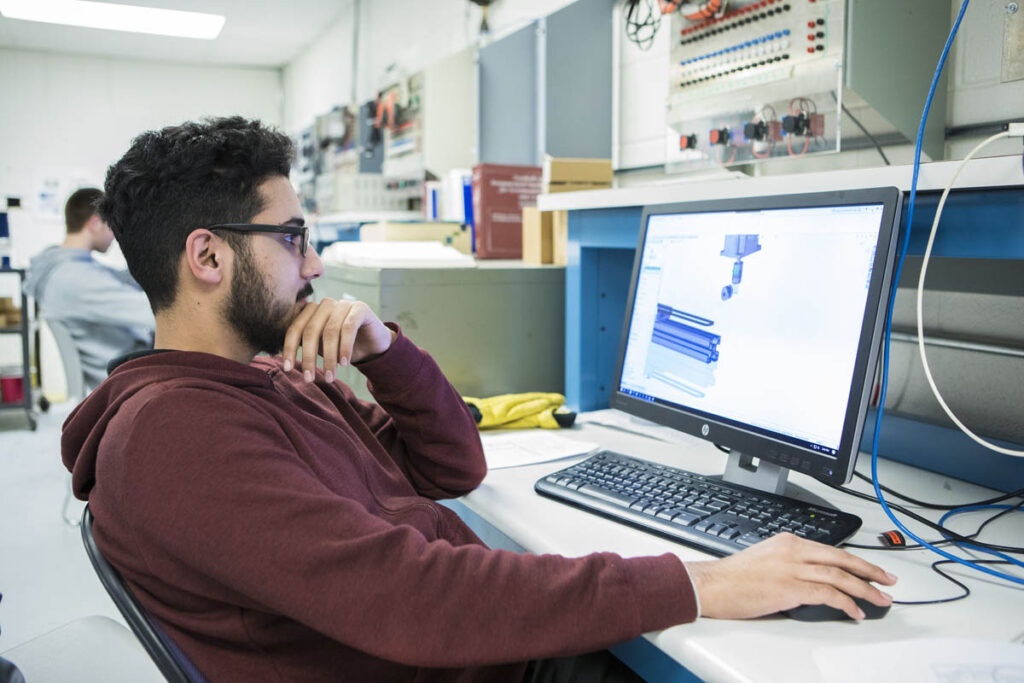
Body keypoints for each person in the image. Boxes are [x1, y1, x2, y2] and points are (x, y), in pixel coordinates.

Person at [62, 117, 896, 682]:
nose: (311, 264)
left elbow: (452, 463)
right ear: (206, 257)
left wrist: (381, 350)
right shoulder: (179, 436)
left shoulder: (266, 379)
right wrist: (702, 582)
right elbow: (416, 599)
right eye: (292, 238)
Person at [24, 188, 154, 390]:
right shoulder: (72, 278)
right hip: (125, 377)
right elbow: (154, 313)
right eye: (112, 225)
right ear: (95, 223)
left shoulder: (69, 267)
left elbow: (118, 279)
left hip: (126, 365)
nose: (115, 234)